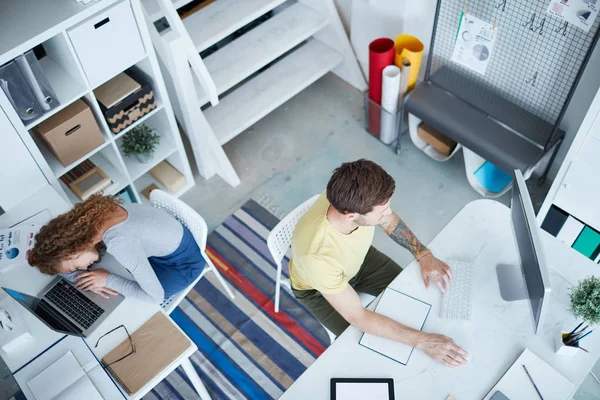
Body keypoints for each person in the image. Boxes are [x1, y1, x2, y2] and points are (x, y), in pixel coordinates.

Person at [290, 159, 468, 367]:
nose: (388, 214)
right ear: (352, 216)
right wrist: (423, 341)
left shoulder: (350, 194)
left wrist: (424, 255)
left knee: (417, 296)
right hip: (318, 290)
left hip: (359, 261)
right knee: (372, 349)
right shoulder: (317, 258)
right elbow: (358, 316)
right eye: (381, 212)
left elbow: (388, 220)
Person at [28, 194, 205, 304]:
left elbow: (155, 298)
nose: (81, 269)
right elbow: (64, 262)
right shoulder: (92, 217)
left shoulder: (119, 243)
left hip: (183, 265)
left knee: (129, 299)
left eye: (75, 267)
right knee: (110, 266)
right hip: (168, 239)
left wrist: (107, 279)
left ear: (74, 250)